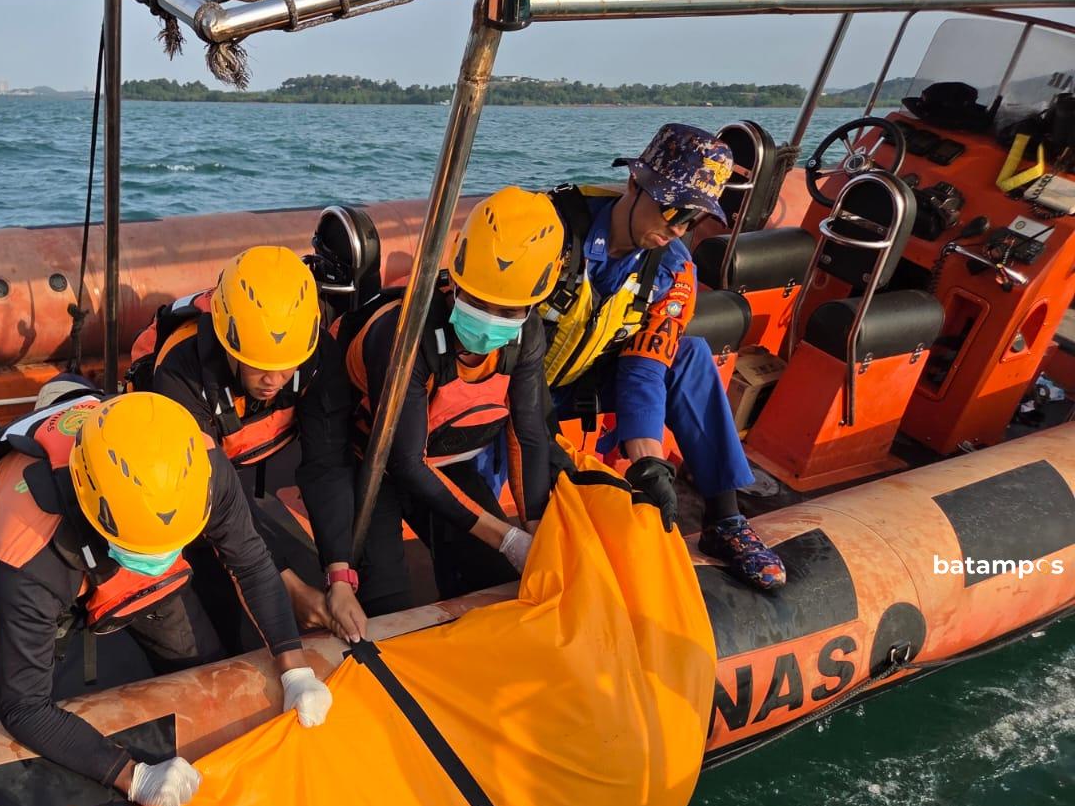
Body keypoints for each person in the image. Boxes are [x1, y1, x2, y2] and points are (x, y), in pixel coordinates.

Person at [0, 389, 332, 806]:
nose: (156, 562)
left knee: (201, 667)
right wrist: (132, 776)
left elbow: (252, 562)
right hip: (9, 542)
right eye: (145, 553)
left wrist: (294, 668)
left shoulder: (197, 468)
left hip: (126, 526)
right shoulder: (28, 545)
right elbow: (23, 706)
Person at [542, 122, 786, 590]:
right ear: (634, 182)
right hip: (517, 382)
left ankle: (725, 519)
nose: (675, 228)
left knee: (689, 354)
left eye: (691, 219)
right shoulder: (554, 231)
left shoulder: (674, 270)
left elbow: (644, 365)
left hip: (586, 377)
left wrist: (647, 462)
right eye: (671, 208)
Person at [340, 186, 566, 615]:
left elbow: (529, 432)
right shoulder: (405, 334)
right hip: (369, 459)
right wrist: (506, 536)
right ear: (455, 278)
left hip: (446, 458)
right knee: (387, 601)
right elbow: (405, 461)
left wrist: (533, 528)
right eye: (478, 302)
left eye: (507, 311)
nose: (488, 321)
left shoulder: (527, 336)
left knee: (498, 576)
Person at [142, 245, 366, 645]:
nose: (274, 379)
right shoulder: (180, 374)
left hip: (246, 450)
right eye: (259, 364)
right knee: (221, 611)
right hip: (187, 478)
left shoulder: (314, 355)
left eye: (286, 365)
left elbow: (326, 464)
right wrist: (288, 585)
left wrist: (339, 575)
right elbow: (218, 498)